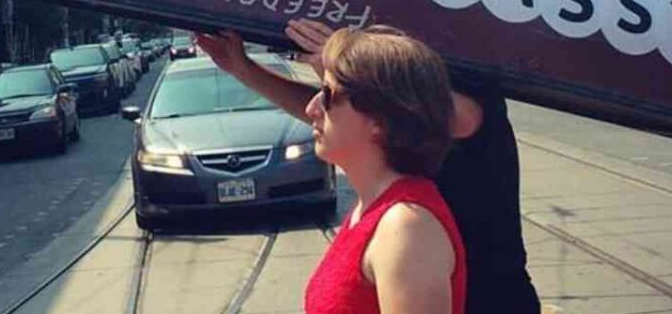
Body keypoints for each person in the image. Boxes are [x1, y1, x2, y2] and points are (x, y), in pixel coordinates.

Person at [197, 19, 540, 314]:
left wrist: (351, 65)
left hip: (491, 297)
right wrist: (243, 68)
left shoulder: (406, 225)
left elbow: (434, 113)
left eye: (328, 94)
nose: (314, 110)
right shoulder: (373, 208)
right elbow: (350, 115)